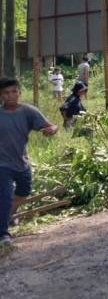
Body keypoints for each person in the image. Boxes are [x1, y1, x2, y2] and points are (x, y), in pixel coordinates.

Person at [0, 77, 58, 246]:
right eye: (6, 93)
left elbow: (51, 126)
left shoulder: (28, 111)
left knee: (24, 192)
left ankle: (7, 216)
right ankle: (3, 234)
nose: (10, 96)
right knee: (5, 196)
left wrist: (51, 130)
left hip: (22, 162)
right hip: (2, 164)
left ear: (19, 93)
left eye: (14, 92)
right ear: (1, 95)